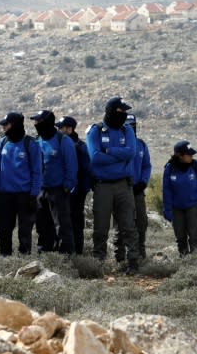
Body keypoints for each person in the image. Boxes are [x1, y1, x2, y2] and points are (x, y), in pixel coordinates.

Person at [86, 97, 139, 274]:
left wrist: (108, 151)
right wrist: (119, 156)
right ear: (111, 111)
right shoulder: (96, 131)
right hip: (103, 187)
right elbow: (95, 157)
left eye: (125, 112)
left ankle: (132, 263)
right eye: (121, 111)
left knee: (128, 226)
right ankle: (98, 264)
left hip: (124, 186)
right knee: (101, 228)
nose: (124, 115)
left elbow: (131, 153)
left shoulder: (127, 131)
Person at [0, 112, 42, 256]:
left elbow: (37, 172)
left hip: (24, 195)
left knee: (25, 230)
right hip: (4, 195)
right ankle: (5, 257)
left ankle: (24, 258)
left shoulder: (30, 144)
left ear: (14, 125)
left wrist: (34, 195)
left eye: (6, 125)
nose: (3, 128)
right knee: (3, 228)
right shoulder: (3, 142)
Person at [30, 110, 77, 254]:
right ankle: (45, 257)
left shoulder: (63, 140)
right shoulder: (37, 141)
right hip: (41, 191)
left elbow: (72, 166)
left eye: (38, 121)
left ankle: (66, 260)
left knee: (62, 227)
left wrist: (67, 187)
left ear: (46, 122)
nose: (36, 124)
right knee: (42, 226)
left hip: (58, 190)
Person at [114, 114, 152, 262]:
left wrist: (143, 182)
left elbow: (146, 166)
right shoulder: (118, 145)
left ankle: (140, 255)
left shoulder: (141, 144)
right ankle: (120, 257)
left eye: (133, 125)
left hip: (138, 192)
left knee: (141, 222)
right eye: (127, 125)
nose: (131, 128)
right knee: (121, 224)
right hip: (122, 190)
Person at [162, 140, 197, 256]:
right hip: (177, 208)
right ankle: (184, 261)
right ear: (179, 155)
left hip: (194, 206)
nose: (191, 156)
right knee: (180, 238)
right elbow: (166, 191)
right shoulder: (169, 168)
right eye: (189, 154)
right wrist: (167, 209)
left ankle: (195, 263)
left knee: (195, 237)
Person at [55, 115, 93, 255]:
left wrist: (80, 189)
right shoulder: (60, 143)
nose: (58, 129)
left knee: (75, 223)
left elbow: (87, 170)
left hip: (75, 193)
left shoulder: (79, 146)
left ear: (69, 129)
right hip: (61, 191)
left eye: (61, 127)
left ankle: (76, 253)